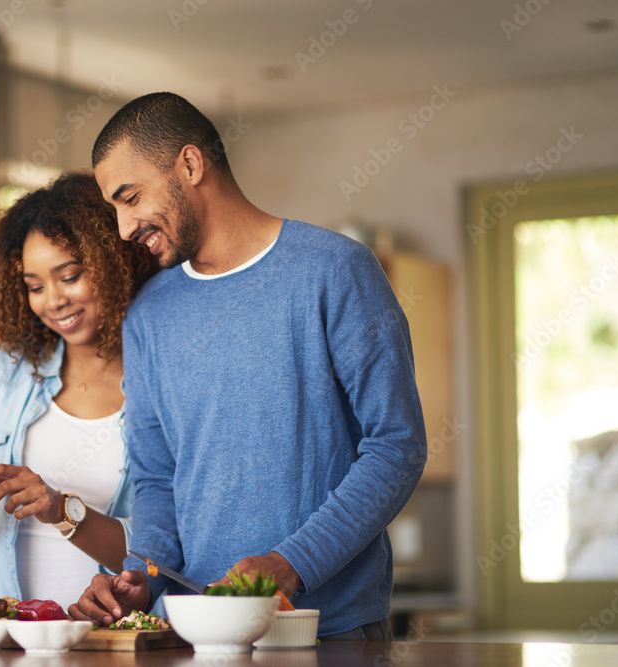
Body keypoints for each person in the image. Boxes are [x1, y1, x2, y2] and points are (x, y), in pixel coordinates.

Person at [68, 92, 427, 640]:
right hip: (195, 635)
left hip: (329, 632)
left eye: (130, 197)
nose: (123, 227)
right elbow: (157, 481)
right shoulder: (148, 317)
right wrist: (141, 574)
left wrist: (291, 564)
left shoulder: (335, 272)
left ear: (190, 164)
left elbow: (396, 447)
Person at [0, 171, 158, 610]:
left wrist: (61, 509)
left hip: (107, 640)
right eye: (34, 286)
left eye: (69, 276)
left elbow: (162, 557)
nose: (52, 300)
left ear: (117, 262)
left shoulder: (165, 381)